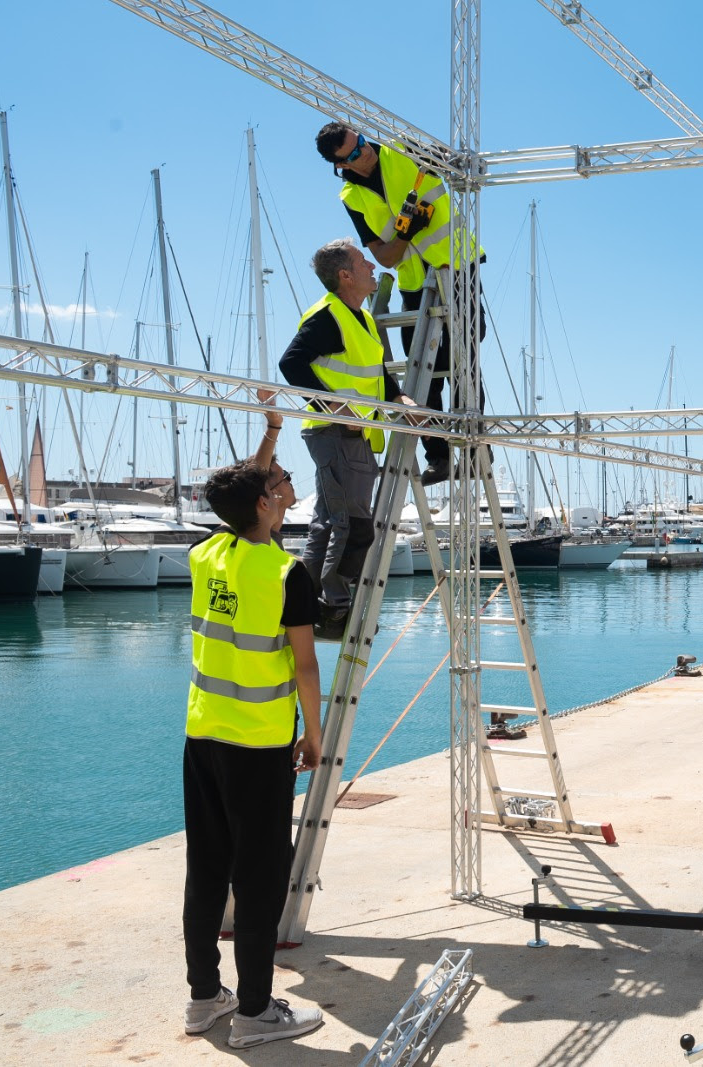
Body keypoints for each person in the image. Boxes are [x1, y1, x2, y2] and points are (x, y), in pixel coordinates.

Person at [182, 407, 326, 1048]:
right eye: (277, 490)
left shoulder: (207, 554)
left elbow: (242, 494)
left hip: (203, 737)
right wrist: (315, 734)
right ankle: (257, 1013)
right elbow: (304, 666)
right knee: (261, 877)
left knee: (206, 870)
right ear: (268, 505)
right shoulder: (286, 574)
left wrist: (270, 434)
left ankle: (205, 997)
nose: (283, 493)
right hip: (259, 746)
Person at [314, 122, 484, 485]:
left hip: (454, 265)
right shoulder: (352, 198)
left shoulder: (400, 148)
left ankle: (473, 451)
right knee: (424, 370)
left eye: (361, 142)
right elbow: (386, 257)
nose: (366, 150)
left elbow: (455, 163)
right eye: (355, 152)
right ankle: (438, 457)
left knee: (463, 362)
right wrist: (406, 230)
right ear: (341, 165)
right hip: (413, 281)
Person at [280, 238, 418, 637]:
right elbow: (291, 363)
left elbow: (377, 373)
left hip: (351, 437)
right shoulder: (329, 316)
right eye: (363, 262)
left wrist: (398, 396)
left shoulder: (361, 318)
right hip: (335, 433)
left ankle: (313, 604)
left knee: (331, 524)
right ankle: (335, 609)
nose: (373, 266)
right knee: (349, 525)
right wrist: (334, 409)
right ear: (345, 275)